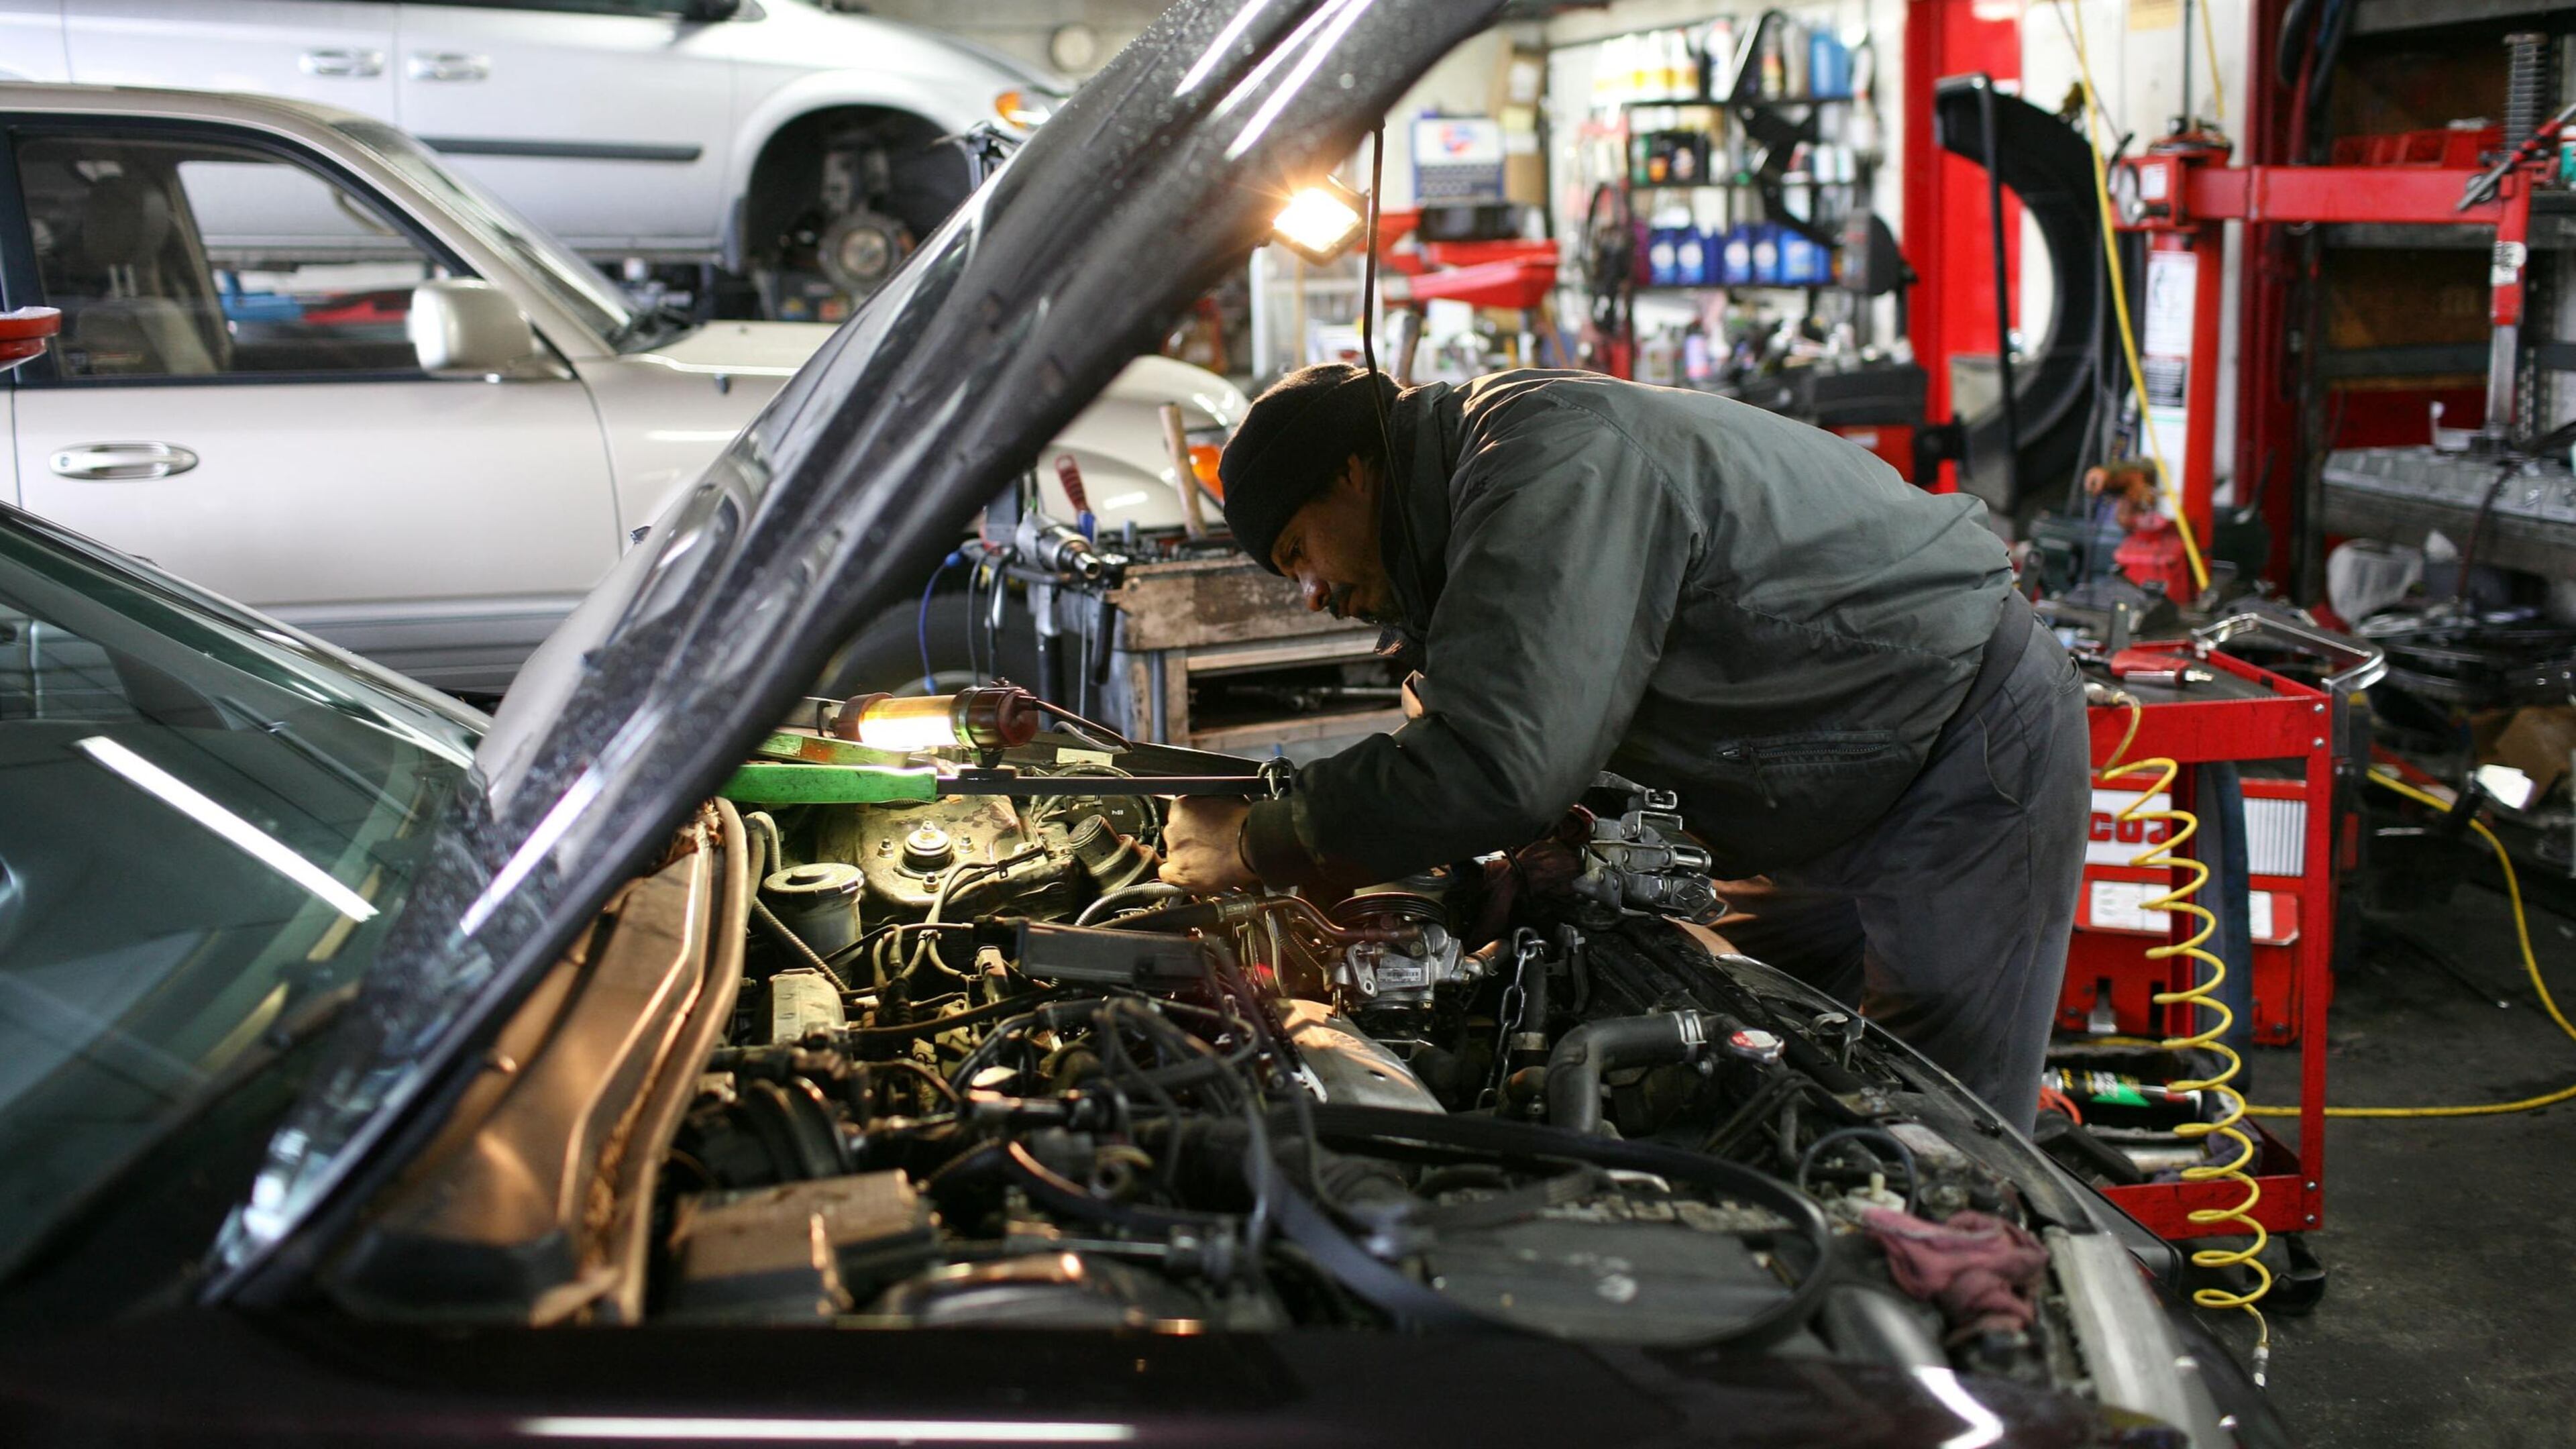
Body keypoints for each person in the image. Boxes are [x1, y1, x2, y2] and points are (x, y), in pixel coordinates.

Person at [1157, 364, 2088, 1129]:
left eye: (1294, 553)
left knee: (1937, 1139)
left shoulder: (1547, 462)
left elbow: (1498, 760)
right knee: (1732, 1066)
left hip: (1960, 754)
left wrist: (1261, 838)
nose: (1310, 592)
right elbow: (1518, 707)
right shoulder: (1465, 511)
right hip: (1811, 789)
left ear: (1352, 474)